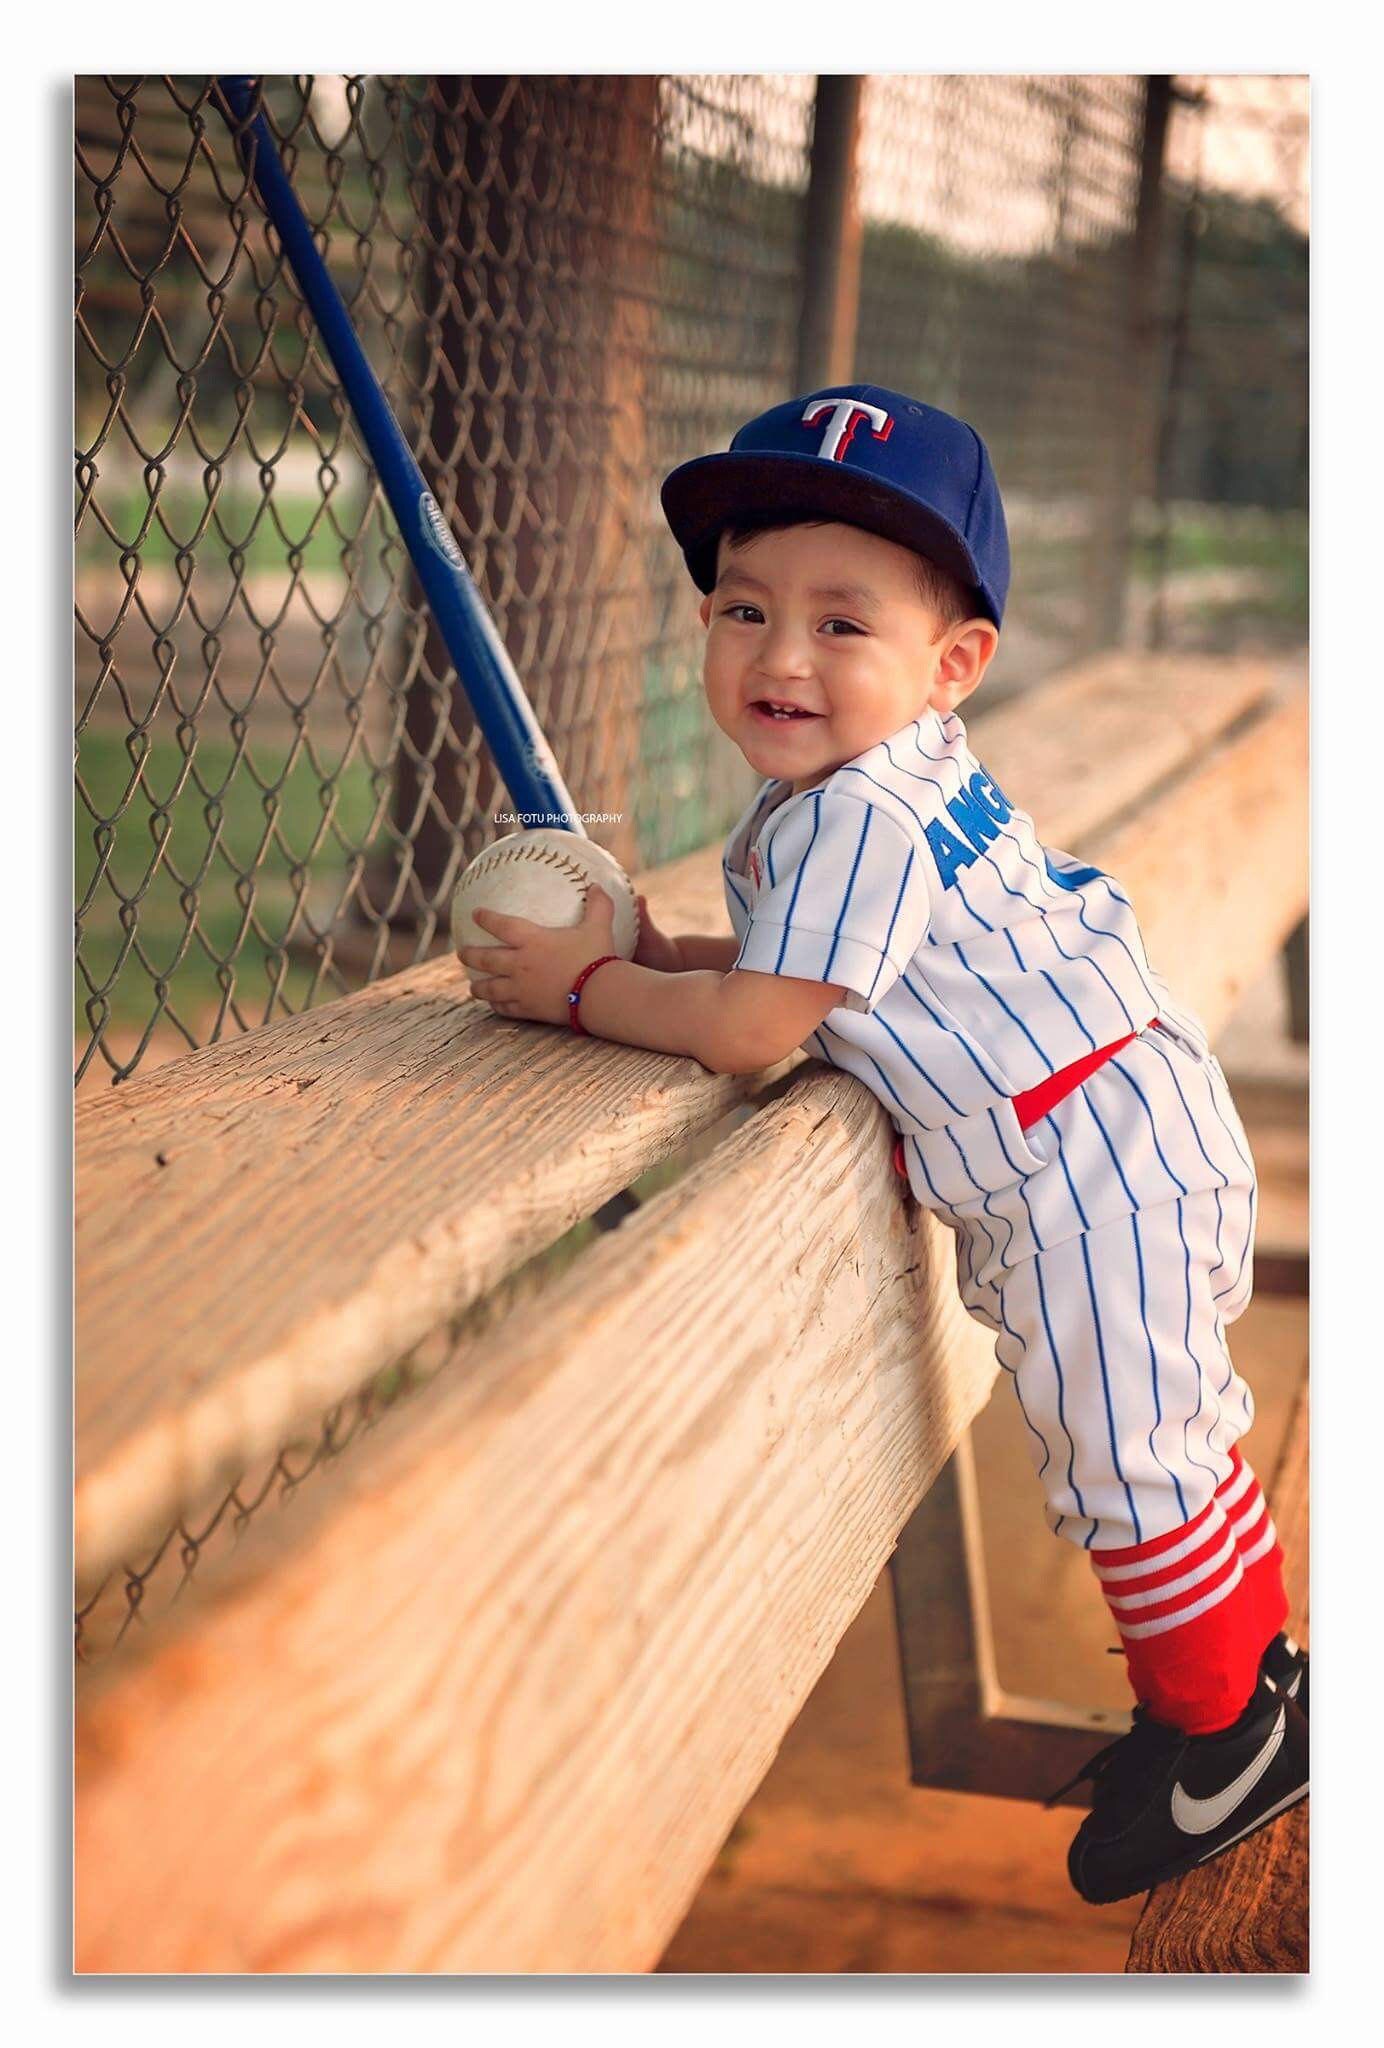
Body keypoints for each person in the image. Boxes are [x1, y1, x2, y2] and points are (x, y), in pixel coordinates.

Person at [456, 384, 1308, 1903]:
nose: (782, 656)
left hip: (1088, 1165)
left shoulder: (854, 815)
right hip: (1102, 1125)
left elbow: (757, 1032)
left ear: (951, 664)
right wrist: (670, 949)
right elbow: (805, 972)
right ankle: (1244, 1691)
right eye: (744, 609)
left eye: (842, 625)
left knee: (1133, 1466)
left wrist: (588, 990)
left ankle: (1225, 1734)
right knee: (1169, 1438)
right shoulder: (878, 780)